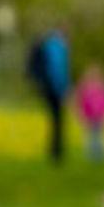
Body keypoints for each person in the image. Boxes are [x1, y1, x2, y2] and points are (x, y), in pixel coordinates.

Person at [27, 29, 71, 163]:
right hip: (54, 89)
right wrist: (63, 90)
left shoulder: (48, 46)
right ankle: (56, 151)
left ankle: (54, 150)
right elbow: (58, 71)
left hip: (48, 88)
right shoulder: (57, 48)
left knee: (54, 120)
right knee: (57, 120)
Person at [75, 64, 104, 161]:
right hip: (89, 117)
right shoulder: (84, 89)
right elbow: (80, 103)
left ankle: (101, 154)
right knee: (90, 136)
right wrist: (81, 115)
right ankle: (91, 155)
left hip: (101, 116)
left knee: (101, 136)